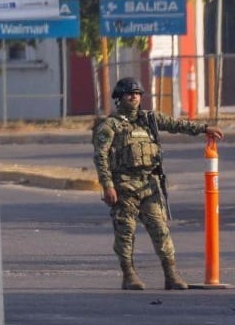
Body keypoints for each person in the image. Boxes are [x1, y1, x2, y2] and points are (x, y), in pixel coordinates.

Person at [92, 76, 222, 290]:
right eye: (128, 93)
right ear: (119, 98)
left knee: (161, 230)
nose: (133, 97)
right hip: (124, 186)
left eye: (136, 93)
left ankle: (171, 275)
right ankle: (129, 275)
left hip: (149, 184)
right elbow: (101, 156)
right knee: (125, 233)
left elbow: (176, 124)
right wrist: (107, 185)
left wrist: (204, 128)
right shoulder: (110, 125)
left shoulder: (149, 119)